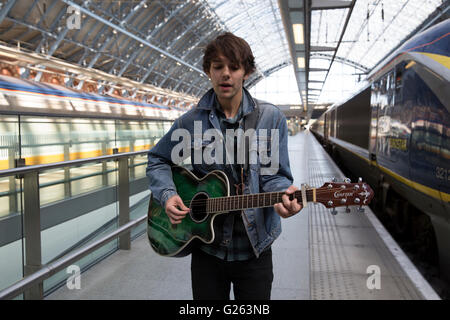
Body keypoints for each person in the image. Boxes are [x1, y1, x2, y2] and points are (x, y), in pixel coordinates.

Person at [146, 32, 302, 300]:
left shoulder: (270, 118)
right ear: (208, 71)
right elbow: (158, 159)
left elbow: (275, 176)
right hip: (207, 252)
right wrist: (168, 194)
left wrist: (283, 199)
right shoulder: (190, 122)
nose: (225, 74)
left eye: (234, 67)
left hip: (255, 251)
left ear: (247, 72)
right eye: (218, 67)